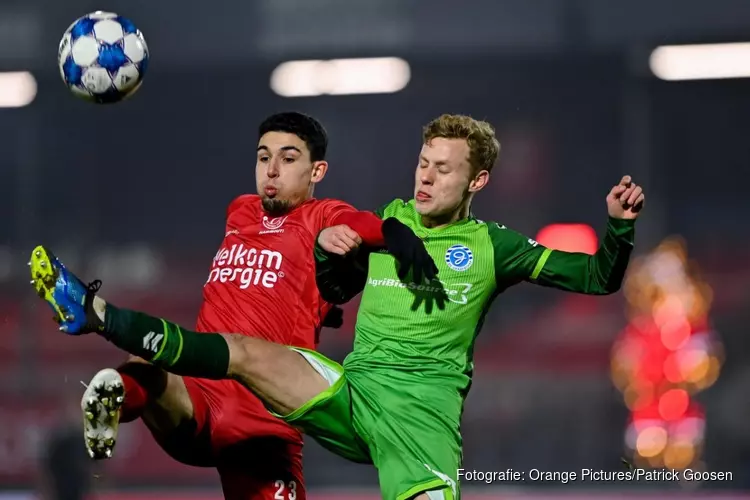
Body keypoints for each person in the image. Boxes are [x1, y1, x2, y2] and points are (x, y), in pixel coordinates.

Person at [31, 114, 643, 500]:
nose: (425, 177)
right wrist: (336, 253)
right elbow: (338, 269)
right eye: (422, 162)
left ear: (476, 182)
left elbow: (598, 277)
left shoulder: (495, 246)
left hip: (418, 419)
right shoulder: (388, 217)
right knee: (246, 354)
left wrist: (618, 229)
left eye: (443, 169)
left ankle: (117, 348)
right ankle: (101, 316)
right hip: (350, 391)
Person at [34, 111, 436, 500]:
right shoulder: (240, 210)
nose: (272, 170)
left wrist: (392, 232)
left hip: (263, 418)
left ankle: (98, 323)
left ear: (317, 172)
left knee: (154, 349)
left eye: (288, 158)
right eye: (264, 157)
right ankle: (113, 401)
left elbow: (358, 225)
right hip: (199, 398)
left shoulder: (322, 216)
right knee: (145, 361)